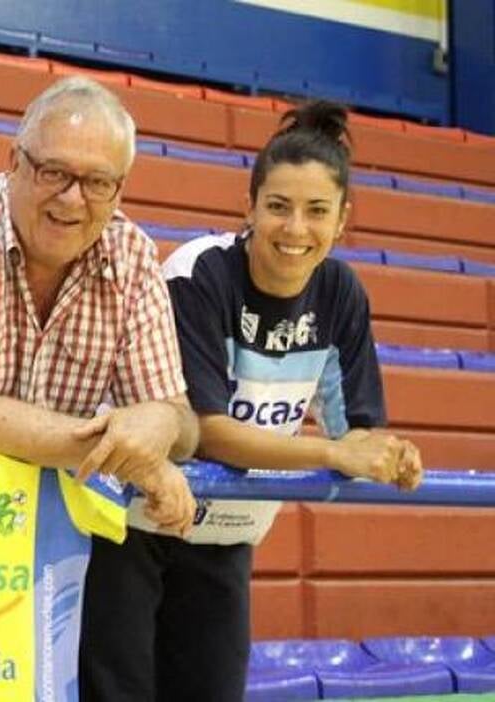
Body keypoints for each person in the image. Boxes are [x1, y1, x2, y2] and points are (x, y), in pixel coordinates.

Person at [79, 101, 425, 701]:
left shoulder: (341, 293)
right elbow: (207, 432)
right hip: (131, 524)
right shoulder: (199, 273)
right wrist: (335, 455)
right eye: (278, 206)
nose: (295, 229)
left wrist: (389, 454)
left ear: (343, 219)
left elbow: (356, 431)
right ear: (250, 207)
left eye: (317, 211)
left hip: (227, 533)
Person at [0, 76, 199, 532]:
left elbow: (184, 426)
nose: (72, 199)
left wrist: (163, 421)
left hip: (25, 520)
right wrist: (125, 456)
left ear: (119, 189)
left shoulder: (132, 255)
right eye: (54, 172)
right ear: (14, 163)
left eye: (97, 182)